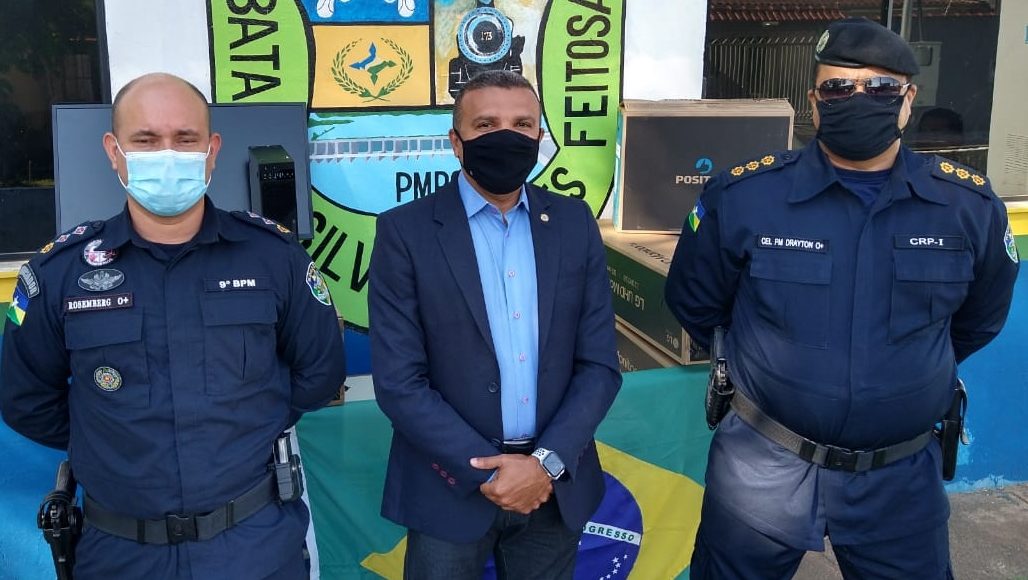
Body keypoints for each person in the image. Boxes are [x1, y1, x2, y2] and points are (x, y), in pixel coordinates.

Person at [665, 18, 1018, 579]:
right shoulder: (746, 196)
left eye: (879, 88)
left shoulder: (966, 208)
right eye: (837, 88)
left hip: (899, 479)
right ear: (814, 102)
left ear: (908, 100)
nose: (858, 99)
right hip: (763, 467)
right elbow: (697, 303)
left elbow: (978, 320)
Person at [0, 73, 346, 579]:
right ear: (114, 152)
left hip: (252, 547)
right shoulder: (60, 273)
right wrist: (110, 441)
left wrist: (248, 422)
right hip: (120, 555)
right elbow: (26, 400)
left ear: (212, 150)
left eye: (185, 139)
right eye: (145, 140)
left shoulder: (275, 258)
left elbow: (318, 373)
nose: (167, 154)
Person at [368, 70, 621, 579]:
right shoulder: (405, 232)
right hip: (448, 488)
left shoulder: (574, 224)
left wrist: (544, 464)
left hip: (553, 489)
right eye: (486, 124)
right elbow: (400, 382)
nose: (506, 136)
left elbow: (598, 366)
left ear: (539, 137)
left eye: (522, 124)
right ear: (455, 142)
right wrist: (487, 473)